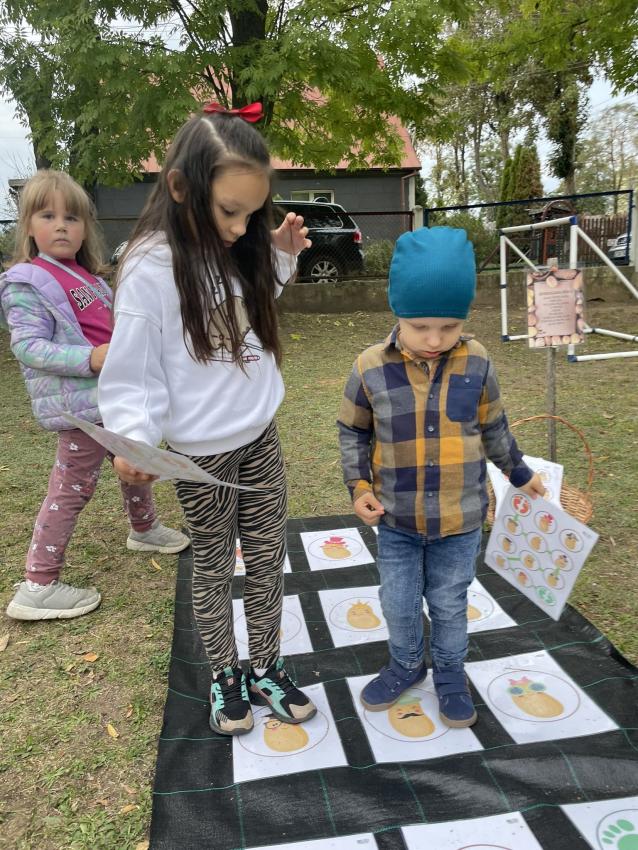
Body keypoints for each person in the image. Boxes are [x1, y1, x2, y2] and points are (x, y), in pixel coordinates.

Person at [97, 103, 317, 737]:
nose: (241, 227)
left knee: (268, 558)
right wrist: (134, 441)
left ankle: (267, 666)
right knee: (216, 565)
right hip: (201, 457)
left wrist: (278, 255)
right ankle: (226, 673)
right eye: (229, 211)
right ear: (180, 187)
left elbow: (247, 311)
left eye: (253, 213)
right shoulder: (150, 266)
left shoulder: (239, 243)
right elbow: (134, 370)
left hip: (260, 437)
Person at [337, 226, 545, 728]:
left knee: (450, 604)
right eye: (420, 326)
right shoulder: (368, 367)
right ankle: (407, 664)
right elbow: (352, 431)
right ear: (397, 312)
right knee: (398, 603)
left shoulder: (478, 361)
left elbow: (494, 427)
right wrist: (359, 487)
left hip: (460, 520)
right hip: (397, 521)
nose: (434, 340)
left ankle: (450, 672)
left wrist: (519, 473)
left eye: (449, 327)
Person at [0, 171, 190, 622]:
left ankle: (143, 528)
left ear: (86, 227)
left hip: (113, 399)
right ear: (28, 225)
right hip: (80, 408)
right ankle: (38, 584)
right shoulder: (27, 280)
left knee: (133, 463)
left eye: (72, 217)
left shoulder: (87, 277)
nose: (61, 226)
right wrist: (91, 358)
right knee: (71, 489)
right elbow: (28, 346)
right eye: (48, 216)